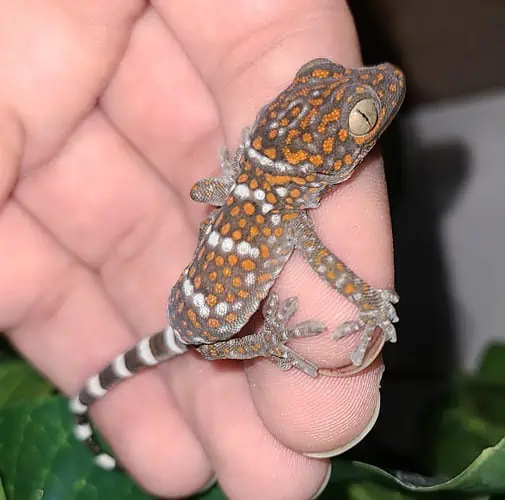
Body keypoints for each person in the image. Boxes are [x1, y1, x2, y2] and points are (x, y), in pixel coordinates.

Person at [0, 1, 397, 498]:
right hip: (210, 322)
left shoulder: (273, 203)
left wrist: (237, 182)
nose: (387, 78)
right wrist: (341, 313)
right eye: (364, 118)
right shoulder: (284, 214)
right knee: (210, 346)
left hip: (190, 296)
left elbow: (204, 195)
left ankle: (88, 410)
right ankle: (89, 414)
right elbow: (325, 267)